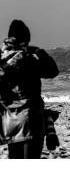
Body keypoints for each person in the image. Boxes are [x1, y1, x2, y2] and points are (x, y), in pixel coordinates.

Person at [0, 20, 59, 159]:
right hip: (31, 120)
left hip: (9, 121)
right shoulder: (28, 60)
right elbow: (52, 71)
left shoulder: (3, 59)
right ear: (25, 40)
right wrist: (39, 52)